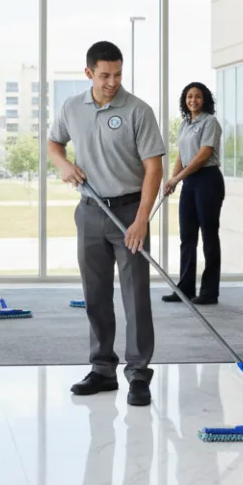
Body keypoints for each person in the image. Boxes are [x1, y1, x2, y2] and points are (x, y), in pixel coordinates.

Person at [48, 41, 165, 408]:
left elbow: (154, 168)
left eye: (117, 74)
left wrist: (142, 220)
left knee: (135, 298)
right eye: (104, 75)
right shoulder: (71, 107)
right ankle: (102, 369)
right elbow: (53, 144)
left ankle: (139, 373)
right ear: (88, 74)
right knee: (95, 296)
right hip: (90, 212)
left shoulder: (138, 111)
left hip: (130, 212)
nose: (112, 81)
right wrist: (64, 165)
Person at [162, 82, 225, 306]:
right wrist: (173, 179)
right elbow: (182, 155)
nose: (193, 100)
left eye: (198, 96)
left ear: (205, 99)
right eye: (189, 96)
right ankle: (185, 288)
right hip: (189, 181)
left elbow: (202, 156)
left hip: (208, 179)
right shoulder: (185, 124)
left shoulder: (210, 122)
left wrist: (178, 178)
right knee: (187, 236)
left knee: (208, 235)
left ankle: (209, 292)